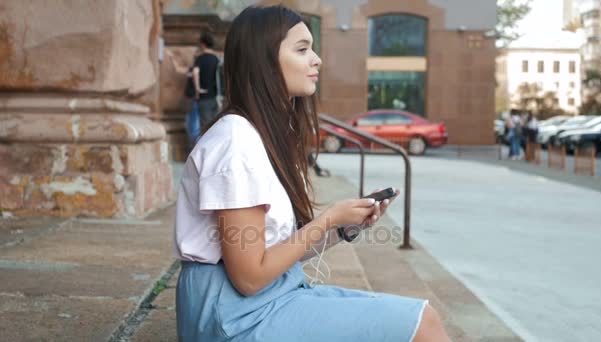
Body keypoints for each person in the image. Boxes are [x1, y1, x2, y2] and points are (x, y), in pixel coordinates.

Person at [173, 5, 450, 342]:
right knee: (423, 323)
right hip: (236, 318)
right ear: (264, 61)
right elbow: (248, 277)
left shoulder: (260, 136)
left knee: (420, 319)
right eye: (302, 49)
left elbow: (274, 255)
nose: (317, 59)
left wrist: (345, 227)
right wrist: (328, 218)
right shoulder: (235, 140)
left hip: (269, 298)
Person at [192, 31, 221, 128]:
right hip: (216, 97)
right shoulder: (217, 59)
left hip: (204, 97)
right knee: (215, 125)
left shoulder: (200, 59)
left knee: (205, 127)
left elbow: (195, 72)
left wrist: (197, 89)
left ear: (203, 44)